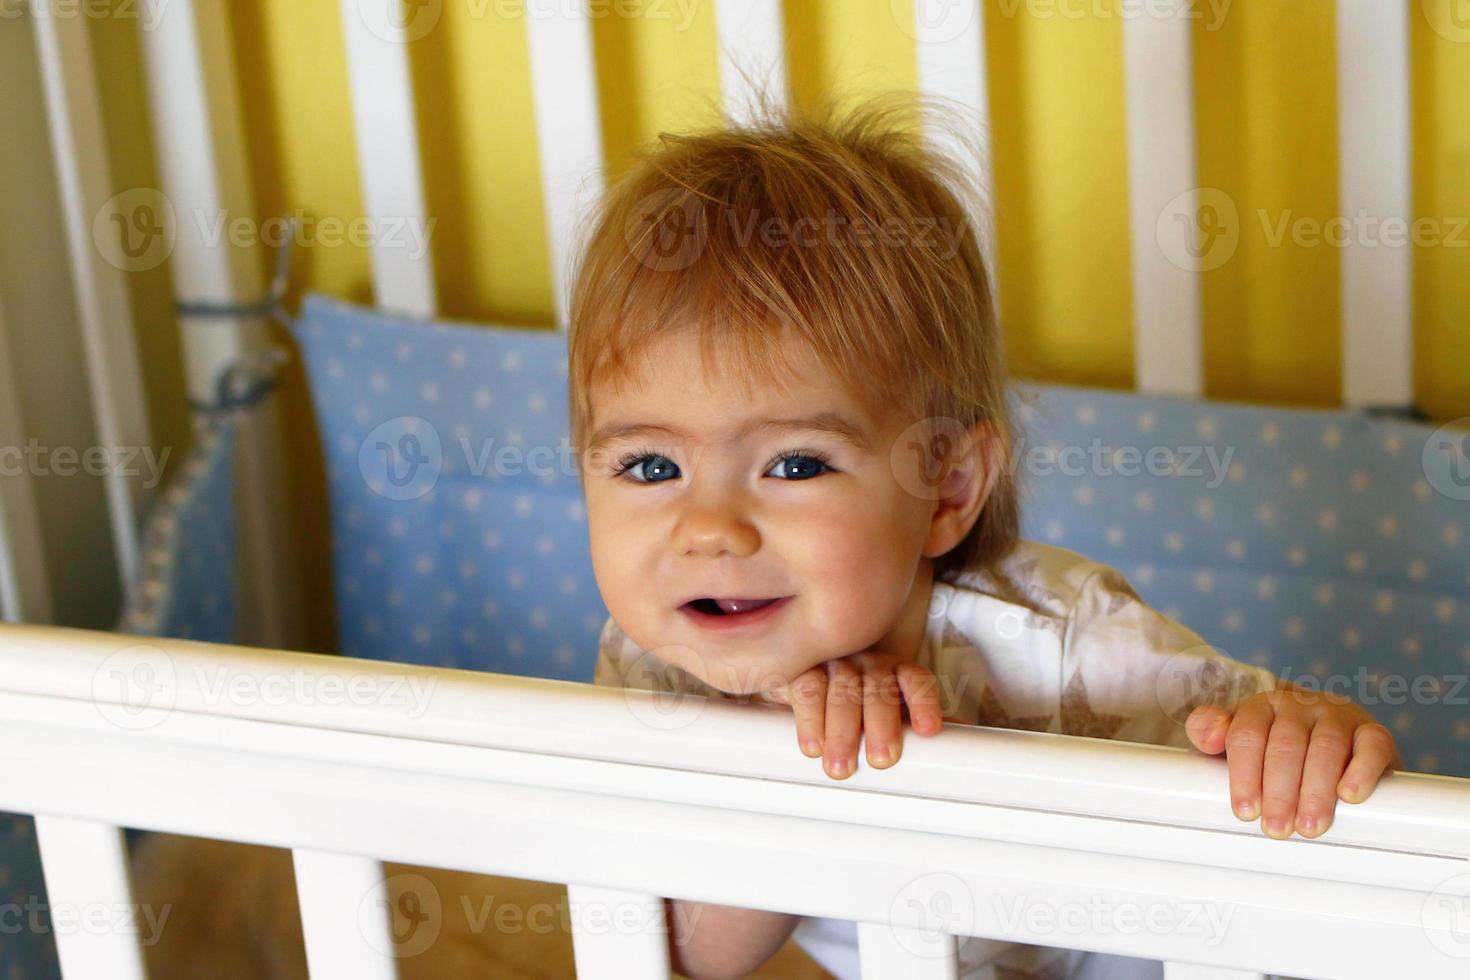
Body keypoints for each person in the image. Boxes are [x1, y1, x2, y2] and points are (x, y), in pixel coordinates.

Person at [565, 90, 1401, 980]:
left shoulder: (1067, 644)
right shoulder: (655, 663)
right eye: (650, 467)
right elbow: (670, 959)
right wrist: (798, 770)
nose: (709, 531)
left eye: (796, 464)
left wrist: (1311, 732)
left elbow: (1284, 761)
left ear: (946, 489)